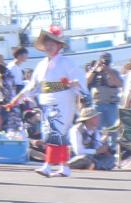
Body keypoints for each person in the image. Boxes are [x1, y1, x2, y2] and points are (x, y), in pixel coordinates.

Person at [15, 27, 82, 178]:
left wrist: (71, 84)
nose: (49, 46)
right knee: (58, 135)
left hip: (63, 102)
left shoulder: (67, 62)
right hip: (47, 102)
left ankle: (47, 166)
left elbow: (77, 81)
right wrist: (18, 97)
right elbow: (33, 84)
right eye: (47, 44)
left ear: (58, 45)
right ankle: (64, 167)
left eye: (52, 43)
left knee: (54, 132)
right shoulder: (41, 64)